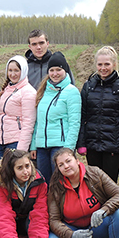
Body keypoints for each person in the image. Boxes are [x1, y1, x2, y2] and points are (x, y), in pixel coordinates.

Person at [48, 148, 119, 238]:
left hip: (96, 227)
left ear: (77, 160)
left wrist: (104, 210)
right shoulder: (55, 186)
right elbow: (53, 220)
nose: (66, 166)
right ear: (58, 169)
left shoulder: (94, 173)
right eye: (61, 165)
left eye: (68, 161)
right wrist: (71, 235)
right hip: (71, 229)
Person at [77, 46, 119, 183]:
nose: (103, 68)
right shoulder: (88, 86)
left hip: (113, 146)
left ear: (114, 64)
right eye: (100, 64)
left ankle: (111, 205)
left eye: (107, 64)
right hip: (92, 144)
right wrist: (81, 142)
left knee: (110, 184)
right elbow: (82, 115)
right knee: (94, 184)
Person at [0, 149, 49, 238]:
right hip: (11, 222)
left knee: (33, 218)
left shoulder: (39, 183)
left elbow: (40, 214)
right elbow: (3, 215)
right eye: (20, 168)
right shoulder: (1, 184)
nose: (26, 171)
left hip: (27, 222)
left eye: (27, 166)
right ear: (12, 170)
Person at [30, 52, 81, 184]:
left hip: (59, 146)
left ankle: (61, 205)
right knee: (44, 183)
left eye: (59, 69)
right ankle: (47, 205)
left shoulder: (71, 91)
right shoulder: (44, 91)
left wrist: (68, 149)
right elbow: (38, 121)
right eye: (51, 70)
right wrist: (34, 145)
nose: (55, 73)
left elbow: (74, 123)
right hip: (42, 147)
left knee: (60, 183)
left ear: (65, 70)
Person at [0, 55, 37, 164]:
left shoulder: (28, 92)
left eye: (16, 71)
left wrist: (21, 149)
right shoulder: (7, 89)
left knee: (12, 176)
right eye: (10, 70)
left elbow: (28, 122)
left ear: (23, 71)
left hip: (15, 142)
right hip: (2, 141)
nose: (13, 74)